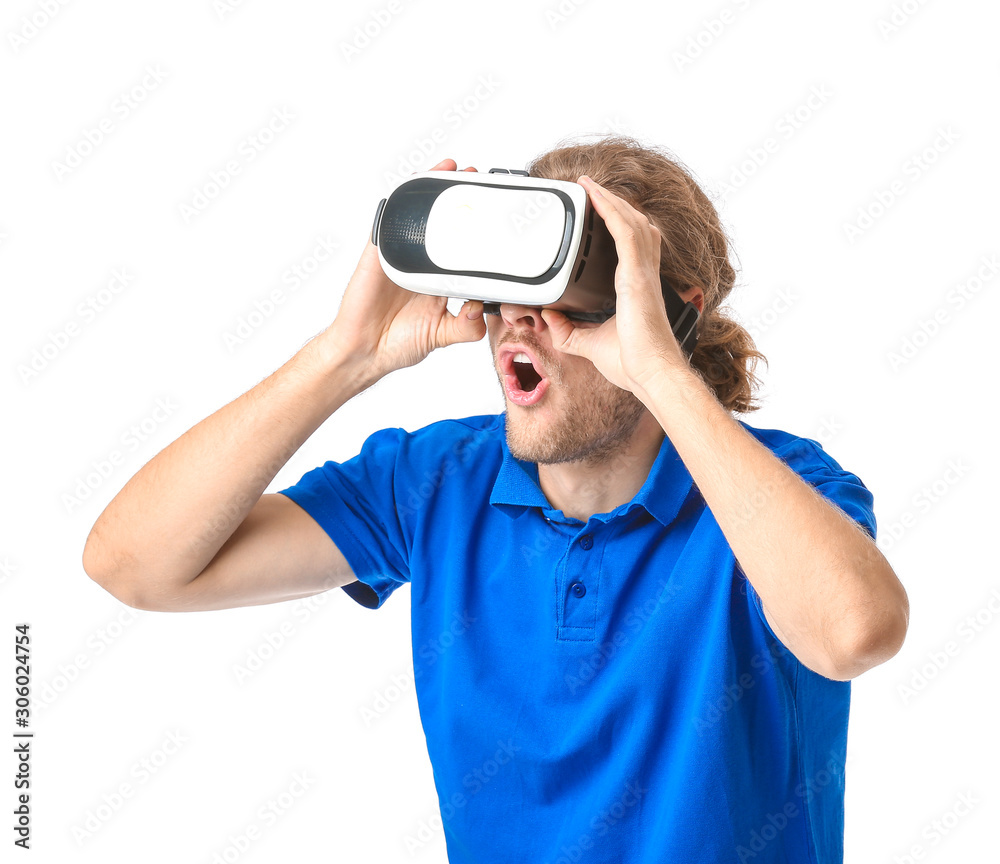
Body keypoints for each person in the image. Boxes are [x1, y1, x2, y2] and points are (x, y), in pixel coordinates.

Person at [83, 135, 909, 864]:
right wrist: (346, 354)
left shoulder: (776, 491)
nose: (519, 324)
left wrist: (662, 371)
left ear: (669, 317)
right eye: (509, 292)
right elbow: (136, 567)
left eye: (562, 298)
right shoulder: (435, 481)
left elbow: (854, 634)